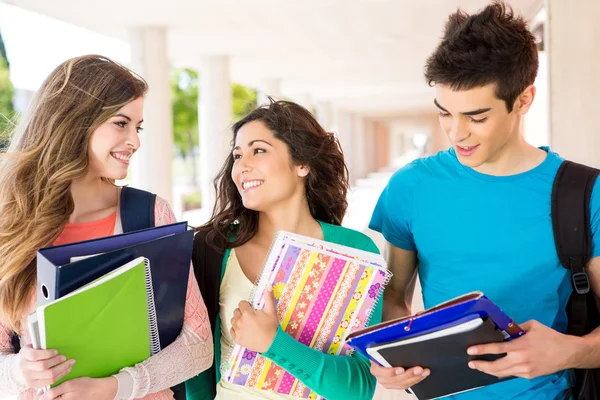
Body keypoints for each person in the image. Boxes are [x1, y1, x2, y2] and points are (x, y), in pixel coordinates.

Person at [368, 2, 600, 399]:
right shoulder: (410, 187)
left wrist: (569, 352)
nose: (457, 134)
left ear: (523, 100)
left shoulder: (584, 193)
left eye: (476, 117)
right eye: (445, 114)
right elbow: (394, 299)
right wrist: (391, 361)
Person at [0, 55, 213, 400]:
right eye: (121, 123)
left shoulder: (150, 214)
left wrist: (115, 388)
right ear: (76, 121)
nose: (135, 141)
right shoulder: (11, 223)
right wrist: (19, 371)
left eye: (138, 127)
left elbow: (199, 344)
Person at [185, 99, 382, 400]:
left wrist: (272, 343)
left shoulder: (354, 250)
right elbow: (197, 368)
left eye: (258, 150)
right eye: (237, 155)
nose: (242, 166)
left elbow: (359, 389)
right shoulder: (213, 247)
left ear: (302, 163)